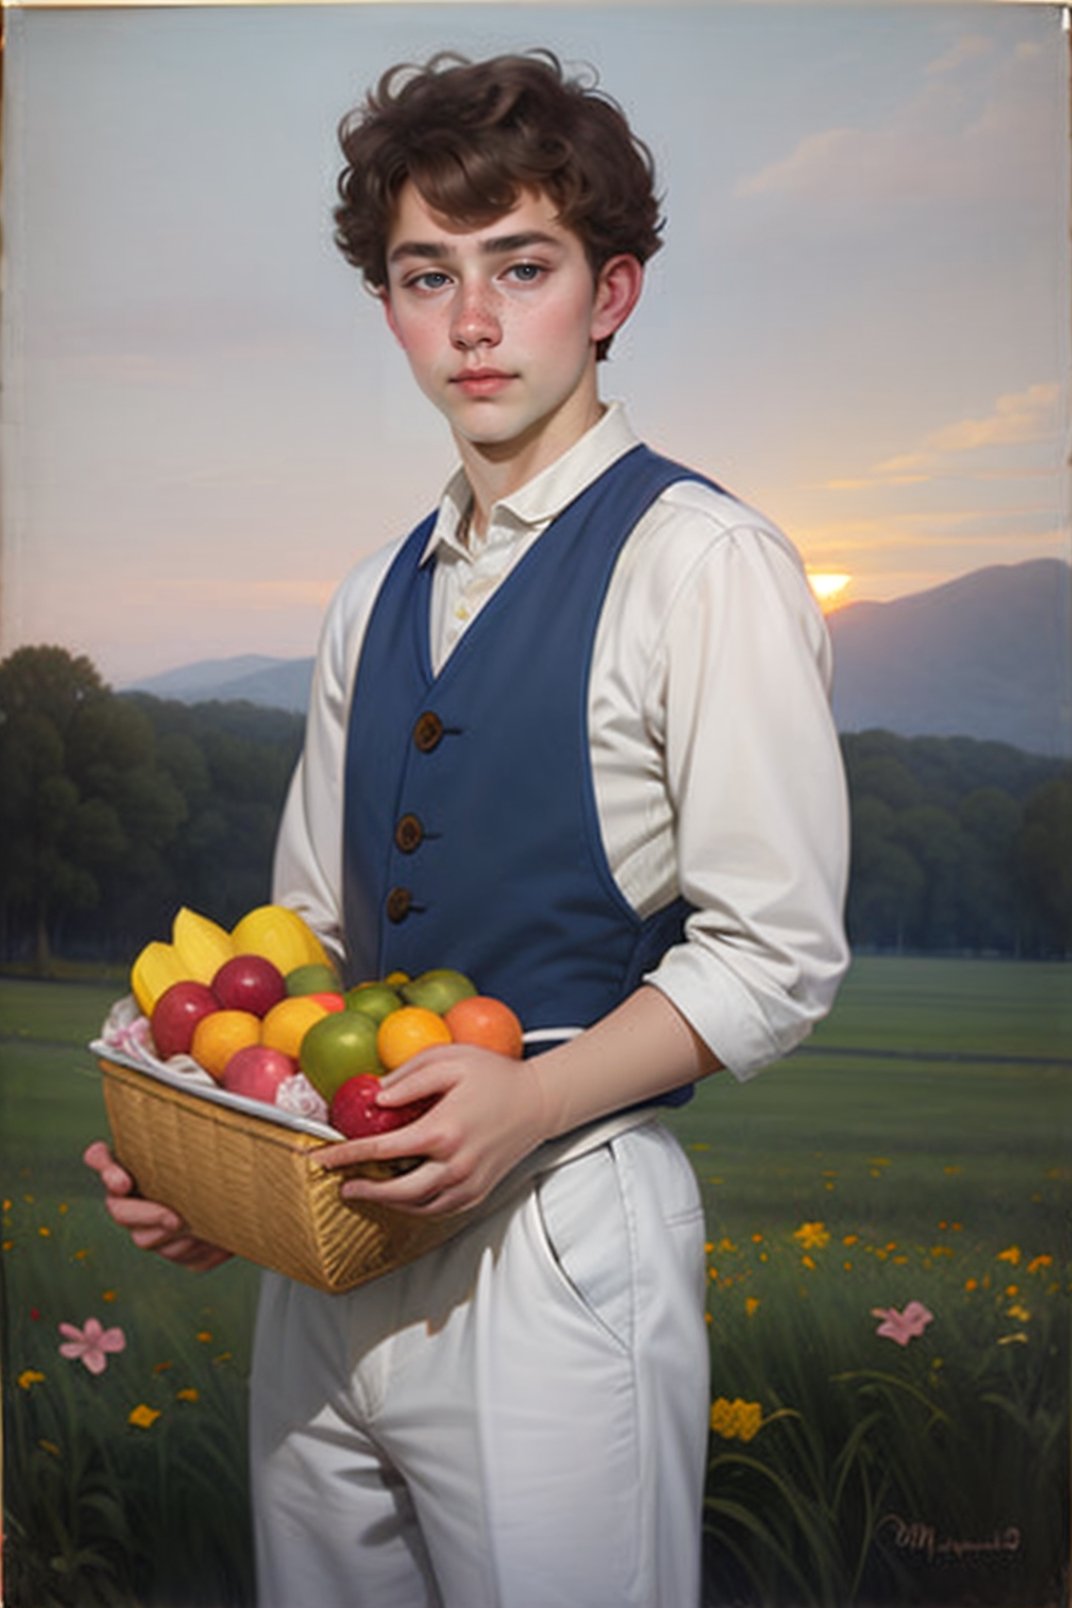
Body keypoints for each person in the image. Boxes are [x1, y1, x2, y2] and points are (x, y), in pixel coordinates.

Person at [86, 49, 850, 1608]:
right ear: (389, 306)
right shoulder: (373, 594)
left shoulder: (702, 564)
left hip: (559, 1235)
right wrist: (219, 1163)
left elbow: (776, 952)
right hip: (332, 1240)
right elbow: (312, 927)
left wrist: (527, 1102)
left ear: (613, 289)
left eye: (525, 266)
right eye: (429, 275)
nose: (477, 322)